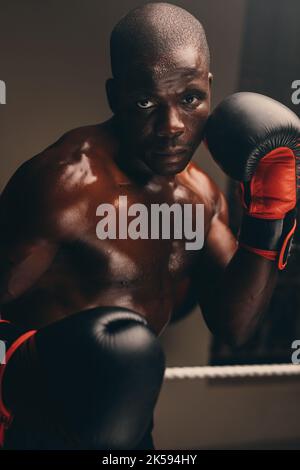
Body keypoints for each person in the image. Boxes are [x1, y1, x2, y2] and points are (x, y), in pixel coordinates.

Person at [0, 2, 299, 449]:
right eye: (145, 102)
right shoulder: (63, 187)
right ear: (114, 97)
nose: (172, 126)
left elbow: (235, 326)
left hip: (126, 428)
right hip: (33, 426)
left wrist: (271, 213)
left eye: (190, 98)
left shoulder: (201, 197)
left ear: (210, 90)